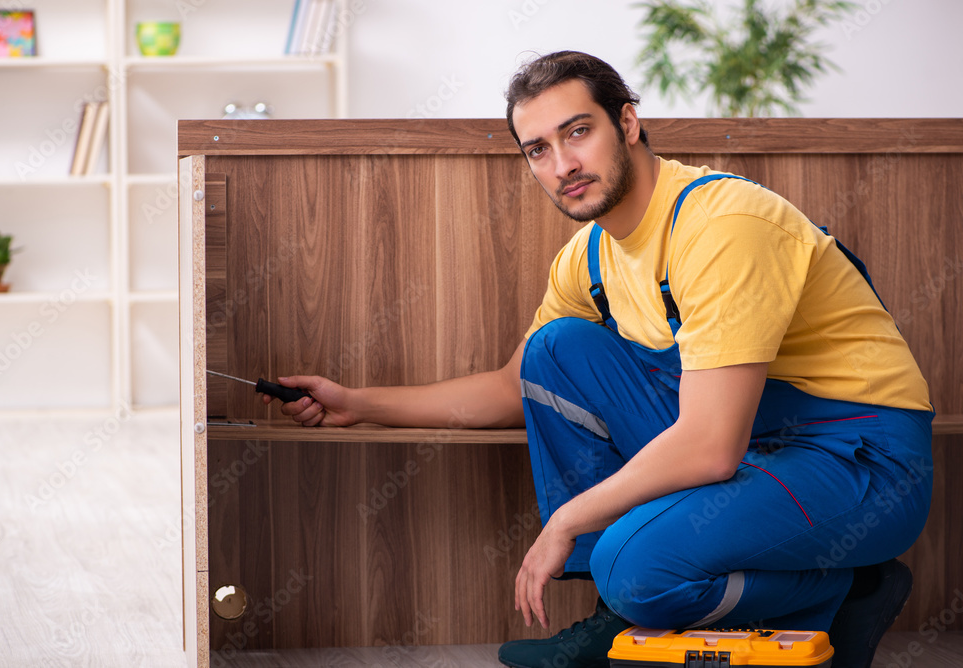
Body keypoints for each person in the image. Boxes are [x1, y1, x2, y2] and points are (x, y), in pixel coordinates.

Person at [266, 51, 934, 668]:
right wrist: (357, 402)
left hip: (860, 460)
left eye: (577, 132)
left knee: (638, 567)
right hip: (754, 444)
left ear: (628, 122)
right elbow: (512, 387)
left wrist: (567, 519)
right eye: (538, 150)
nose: (562, 166)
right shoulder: (585, 259)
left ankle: (847, 588)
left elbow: (708, 447)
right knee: (556, 352)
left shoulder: (724, 225)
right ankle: (618, 615)